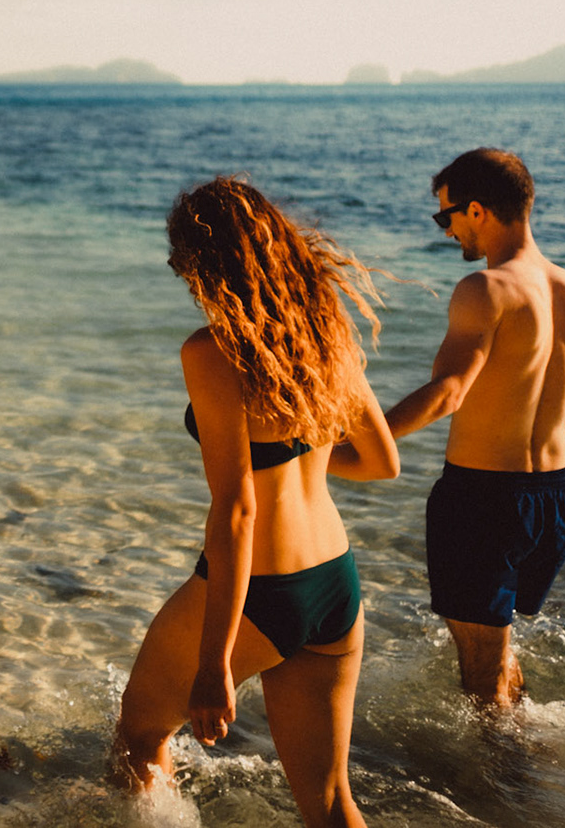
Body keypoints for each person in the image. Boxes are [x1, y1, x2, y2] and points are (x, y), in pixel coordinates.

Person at [111, 177, 399, 828]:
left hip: (258, 594)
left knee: (139, 739)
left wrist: (216, 666)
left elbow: (238, 510)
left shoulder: (212, 353)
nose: (177, 272)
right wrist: (303, 459)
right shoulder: (324, 326)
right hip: (333, 585)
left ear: (204, 263)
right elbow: (382, 461)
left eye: (181, 258)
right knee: (328, 804)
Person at [385, 148, 565, 710]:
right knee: (495, 649)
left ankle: (505, 788)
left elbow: (449, 392)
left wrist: (357, 440)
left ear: (479, 211)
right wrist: (560, 490)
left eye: (447, 217)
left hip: (481, 498)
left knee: (479, 675)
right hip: (554, 502)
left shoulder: (485, 289)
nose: (445, 232)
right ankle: (522, 754)